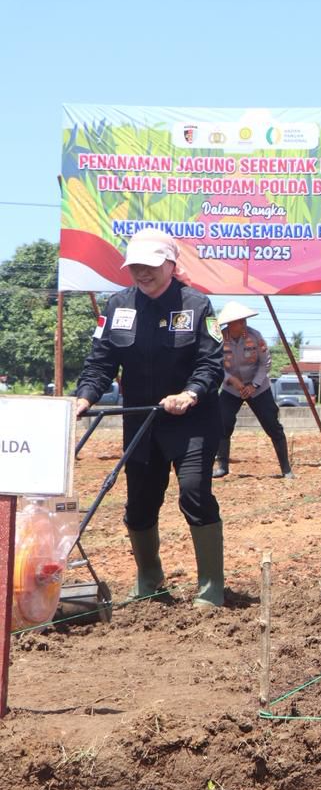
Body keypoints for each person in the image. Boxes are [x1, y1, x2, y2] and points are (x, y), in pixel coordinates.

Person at [73, 228, 226, 607]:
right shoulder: (117, 307)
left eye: (151, 266)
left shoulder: (197, 305)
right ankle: (149, 580)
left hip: (191, 420)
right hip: (140, 421)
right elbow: (101, 361)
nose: (142, 274)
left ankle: (210, 585)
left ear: (172, 265)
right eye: (135, 267)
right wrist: (85, 396)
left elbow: (211, 363)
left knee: (194, 491)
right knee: (140, 502)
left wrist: (190, 394)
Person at [213, 301, 294, 480]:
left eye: (244, 320)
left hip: (258, 388)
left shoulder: (255, 337)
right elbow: (214, 364)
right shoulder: (218, 339)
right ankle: (222, 466)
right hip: (231, 388)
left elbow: (265, 363)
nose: (244, 324)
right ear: (230, 323)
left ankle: (286, 468)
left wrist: (253, 385)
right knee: (223, 422)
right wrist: (232, 380)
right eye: (240, 321)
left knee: (272, 424)